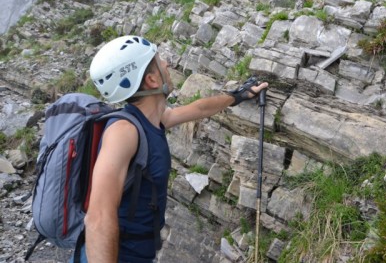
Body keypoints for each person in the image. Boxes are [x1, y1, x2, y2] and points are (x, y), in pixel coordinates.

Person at [75, 35, 268, 262]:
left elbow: (199, 109)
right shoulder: (123, 132)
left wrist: (238, 95)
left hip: (138, 251)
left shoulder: (152, 119)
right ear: (152, 80)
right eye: (160, 61)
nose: (166, 64)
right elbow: (98, 218)